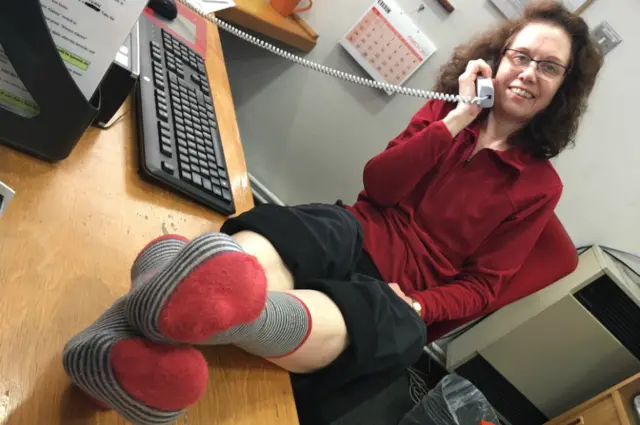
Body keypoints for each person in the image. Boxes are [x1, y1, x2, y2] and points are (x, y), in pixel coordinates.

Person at [62, 2, 603, 425]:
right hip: (361, 227)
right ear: (499, 57)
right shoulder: (446, 112)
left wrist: (419, 302)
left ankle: (142, 312)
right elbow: (380, 186)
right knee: (301, 232)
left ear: (563, 88)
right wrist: (457, 119)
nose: (529, 73)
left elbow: (483, 287)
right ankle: (184, 296)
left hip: (403, 292)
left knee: (384, 323)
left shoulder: (539, 187)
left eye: (549, 67)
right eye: (521, 56)